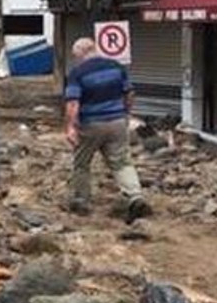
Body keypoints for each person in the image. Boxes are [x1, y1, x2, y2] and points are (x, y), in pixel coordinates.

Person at [64, 37, 152, 221]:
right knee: (122, 162)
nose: (76, 60)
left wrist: (71, 127)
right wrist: (126, 114)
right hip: (117, 121)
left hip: (91, 124)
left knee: (82, 163)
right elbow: (130, 93)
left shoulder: (77, 73)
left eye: (76, 56)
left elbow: (73, 103)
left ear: (80, 53)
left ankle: (81, 200)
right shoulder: (116, 66)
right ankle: (135, 196)